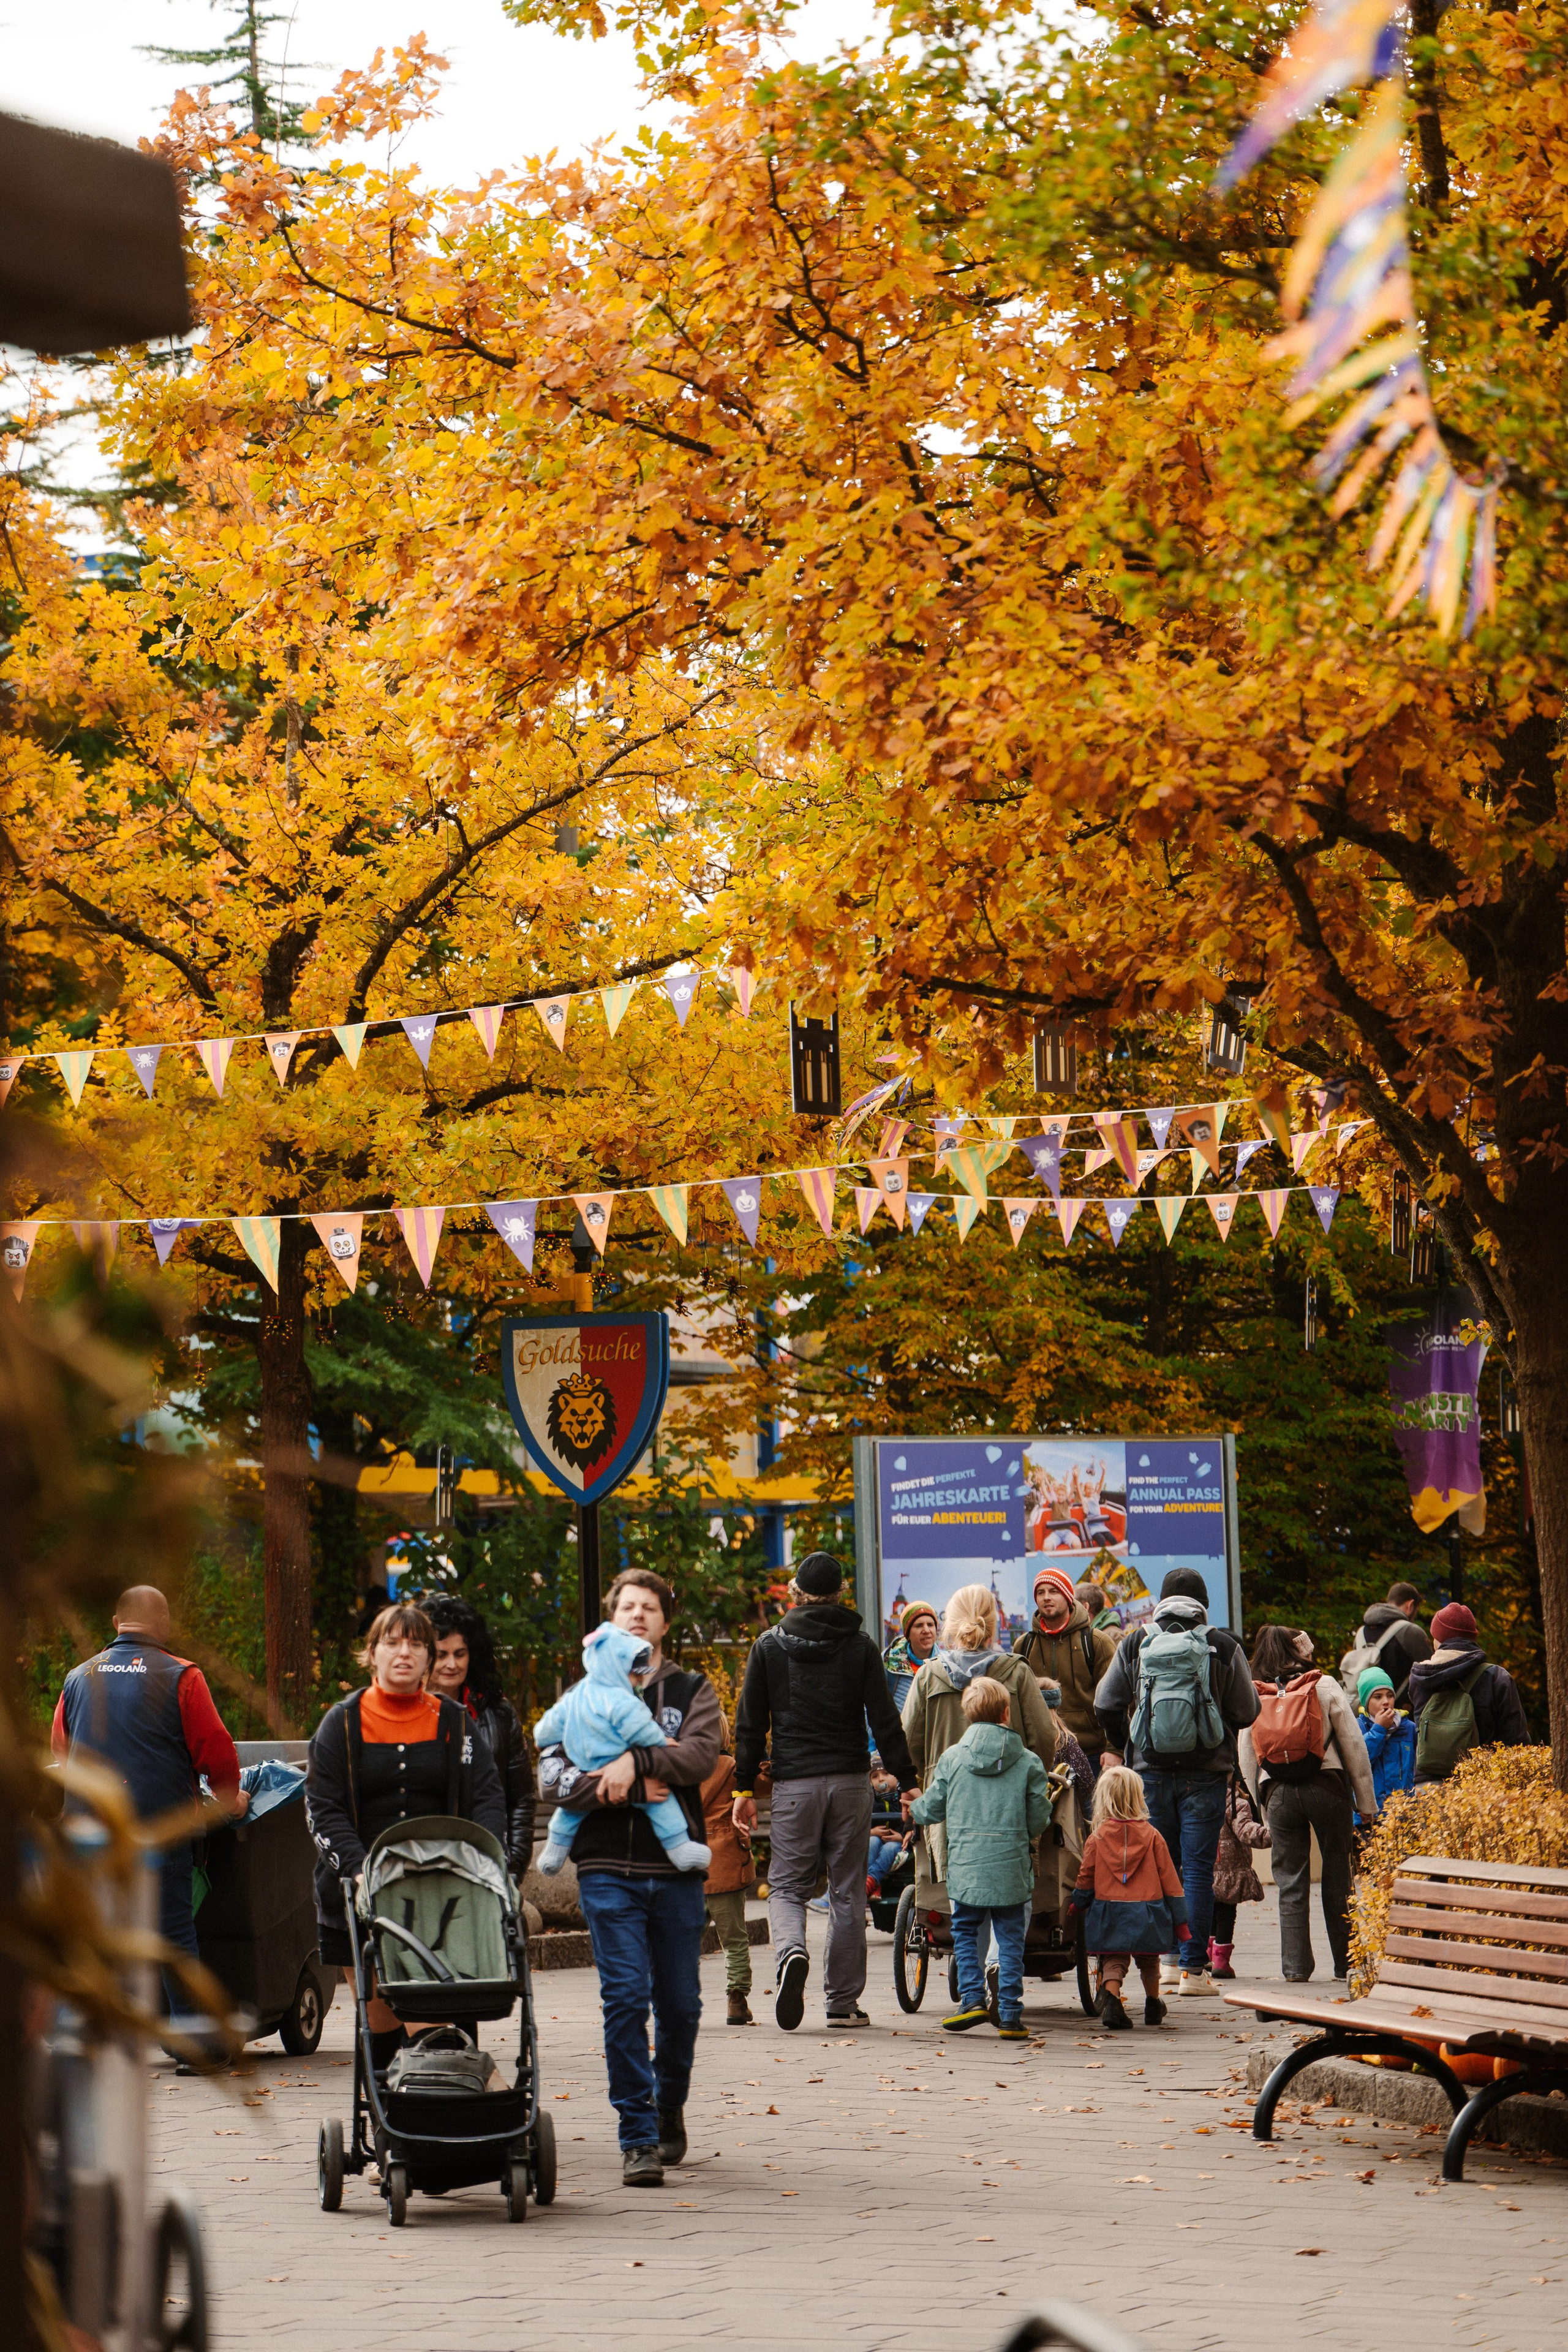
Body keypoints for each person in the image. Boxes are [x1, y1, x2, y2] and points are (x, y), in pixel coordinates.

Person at [538, 1568, 722, 2185]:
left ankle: (669, 2103)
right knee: (623, 1998)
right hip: (605, 1868)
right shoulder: (582, 1693)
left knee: (681, 2005)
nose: (638, 1615)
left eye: (649, 1607)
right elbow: (548, 1772)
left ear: (665, 1622)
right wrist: (609, 1785)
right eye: (627, 1607)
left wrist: (636, 1758)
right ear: (609, 1623)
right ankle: (637, 2134)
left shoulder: (691, 1691)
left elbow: (698, 1756)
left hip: (674, 1870)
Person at [305, 1602, 507, 2077]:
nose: (405, 1653)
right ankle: (387, 2117)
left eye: (417, 1644)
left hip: (440, 1891)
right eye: (393, 1643)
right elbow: (323, 1807)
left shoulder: (455, 1722)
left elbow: (487, 1800)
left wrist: (485, 1860)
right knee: (380, 2014)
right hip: (358, 1891)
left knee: (440, 2007)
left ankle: (457, 2099)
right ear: (371, 1653)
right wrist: (359, 1870)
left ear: (428, 1659)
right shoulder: (342, 1724)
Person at [733, 1550, 916, 2033]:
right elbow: (885, 1720)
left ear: (797, 1592)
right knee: (848, 1890)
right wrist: (908, 1782)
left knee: (789, 1886)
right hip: (852, 1784)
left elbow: (750, 1725)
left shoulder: (769, 1647)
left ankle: (792, 1950)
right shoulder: (859, 1647)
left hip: (793, 1784)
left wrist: (742, 1788)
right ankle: (841, 2004)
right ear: (840, 1594)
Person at [53, 1583, 247, 2037]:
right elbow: (215, 1752)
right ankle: (191, 2045)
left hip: (89, 1831)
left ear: (117, 1625)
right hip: (158, 1829)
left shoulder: (78, 1677)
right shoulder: (182, 1676)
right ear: (164, 1626)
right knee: (173, 1938)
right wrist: (229, 1798)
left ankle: (87, 2034)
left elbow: (62, 1751)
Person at [1092, 1567, 1259, 1998]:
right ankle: (1194, 1971)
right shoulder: (1221, 1644)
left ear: (1162, 1600)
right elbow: (1247, 1712)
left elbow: (1105, 1702)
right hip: (1205, 1775)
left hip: (1149, 1773)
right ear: (1203, 1602)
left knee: (1158, 1869)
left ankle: (1164, 1965)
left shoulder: (1137, 1641)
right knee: (1199, 1871)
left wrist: (1123, 1742)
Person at [908, 1676, 1053, 2040]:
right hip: (1011, 1866)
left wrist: (914, 1808)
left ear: (968, 1715)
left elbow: (933, 1807)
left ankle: (972, 1999)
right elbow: (1038, 1818)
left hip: (966, 1867)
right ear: (1007, 1713)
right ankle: (1009, 2014)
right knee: (1009, 1938)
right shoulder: (1029, 1762)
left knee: (965, 1932)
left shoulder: (953, 1759)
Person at [1238, 1623, 1376, 1983]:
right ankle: (1347, 1963)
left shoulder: (1252, 1693)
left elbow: (1246, 1758)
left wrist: (1263, 1806)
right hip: (1326, 1787)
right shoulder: (1323, 1684)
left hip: (1279, 1793)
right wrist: (1366, 1803)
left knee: (1290, 1881)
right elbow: (1354, 1746)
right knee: (1337, 1875)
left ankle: (1296, 1968)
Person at [535, 1624, 712, 1875]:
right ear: (616, 1667)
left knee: (570, 1811)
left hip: (585, 1768)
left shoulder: (575, 1696)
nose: (639, 1679)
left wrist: (540, 1738)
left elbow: (548, 1727)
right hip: (617, 1762)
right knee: (661, 1802)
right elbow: (639, 1728)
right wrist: (661, 1740)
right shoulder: (621, 1700)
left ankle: (553, 1853)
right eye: (634, 1673)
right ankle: (680, 1848)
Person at [426, 1593, 537, 1881]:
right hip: (422, 1867)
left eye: (460, 1654)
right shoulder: (401, 1712)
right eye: (441, 1655)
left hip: (487, 1867)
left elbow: (522, 1798)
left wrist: (511, 1870)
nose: (452, 1664)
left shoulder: (498, 1712)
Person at [1070, 1765, 1188, 2031]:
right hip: (1148, 1913)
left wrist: (1078, 1902)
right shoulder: (1153, 1836)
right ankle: (1152, 2003)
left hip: (1109, 1913)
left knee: (1114, 1958)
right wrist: (1180, 1921)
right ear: (1138, 1797)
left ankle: (1112, 2001)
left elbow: (1085, 1877)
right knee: (1148, 1959)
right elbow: (1171, 1881)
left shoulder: (1097, 1838)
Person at [1406, 1602, 1531, 1782]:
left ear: (1439, 1640)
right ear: (1472, 1638)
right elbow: (1517, 1742)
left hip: (1429, 1785)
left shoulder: (1419, 1678)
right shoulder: (1497, 1677)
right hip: (1482, 1784)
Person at [1012, 1563, 1118, 1752]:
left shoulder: (1096, 1642)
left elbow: (1116, 1699)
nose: (1046, 1597)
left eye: (1054, 1591)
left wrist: (1114, 1750)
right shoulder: (1024, 1645)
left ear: (1068, 1597)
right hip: (1040, 1751)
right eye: (1041, 1592)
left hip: (1091, 1751)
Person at [700, 1735, 760, 2026]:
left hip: (689, 1865)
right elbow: (760, 1786)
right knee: (734, 1939)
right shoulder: (733, 1767)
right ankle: (737, 2002)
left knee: (683, 1942)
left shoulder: (682, 1767)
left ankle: (679, 1998)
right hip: (726, 1865)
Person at [1208, 1773, 1270, 1980]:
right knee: (1226, 1913)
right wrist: (1271, 1834)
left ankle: (1208, 1955)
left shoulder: (1197, 1798)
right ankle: (1221, 1961)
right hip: (1231, 1871)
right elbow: (1245, 1831)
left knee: (1211, 1913)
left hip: (1206, 1869)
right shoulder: (1235, 1802)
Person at [1339, 1581, 1433, 1706]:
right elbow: (1432, 1675)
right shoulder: (1410, 1632)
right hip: (1403, 1719)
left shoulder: (1361, 1634)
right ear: (1410, 1605)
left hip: (1366, 1719)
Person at [1357, 1668, 1417, 1819]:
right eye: (1378, 1697)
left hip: (1404, 1815)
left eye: (1390, 1696)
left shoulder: (1408, 1727)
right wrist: (1379, 1729)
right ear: (1366, 1702)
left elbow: (1417, 1770)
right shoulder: (1357, 1727)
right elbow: (1360, 1763)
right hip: (1371, 1816)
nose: (1386, 1702)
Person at [882, 1599, 939, 1713]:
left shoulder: (946, 1664)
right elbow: (873, 1706)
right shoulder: (888, 1659)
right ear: (908, 1633)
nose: (926, 1630)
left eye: (930, 1625)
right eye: (919, 1626)